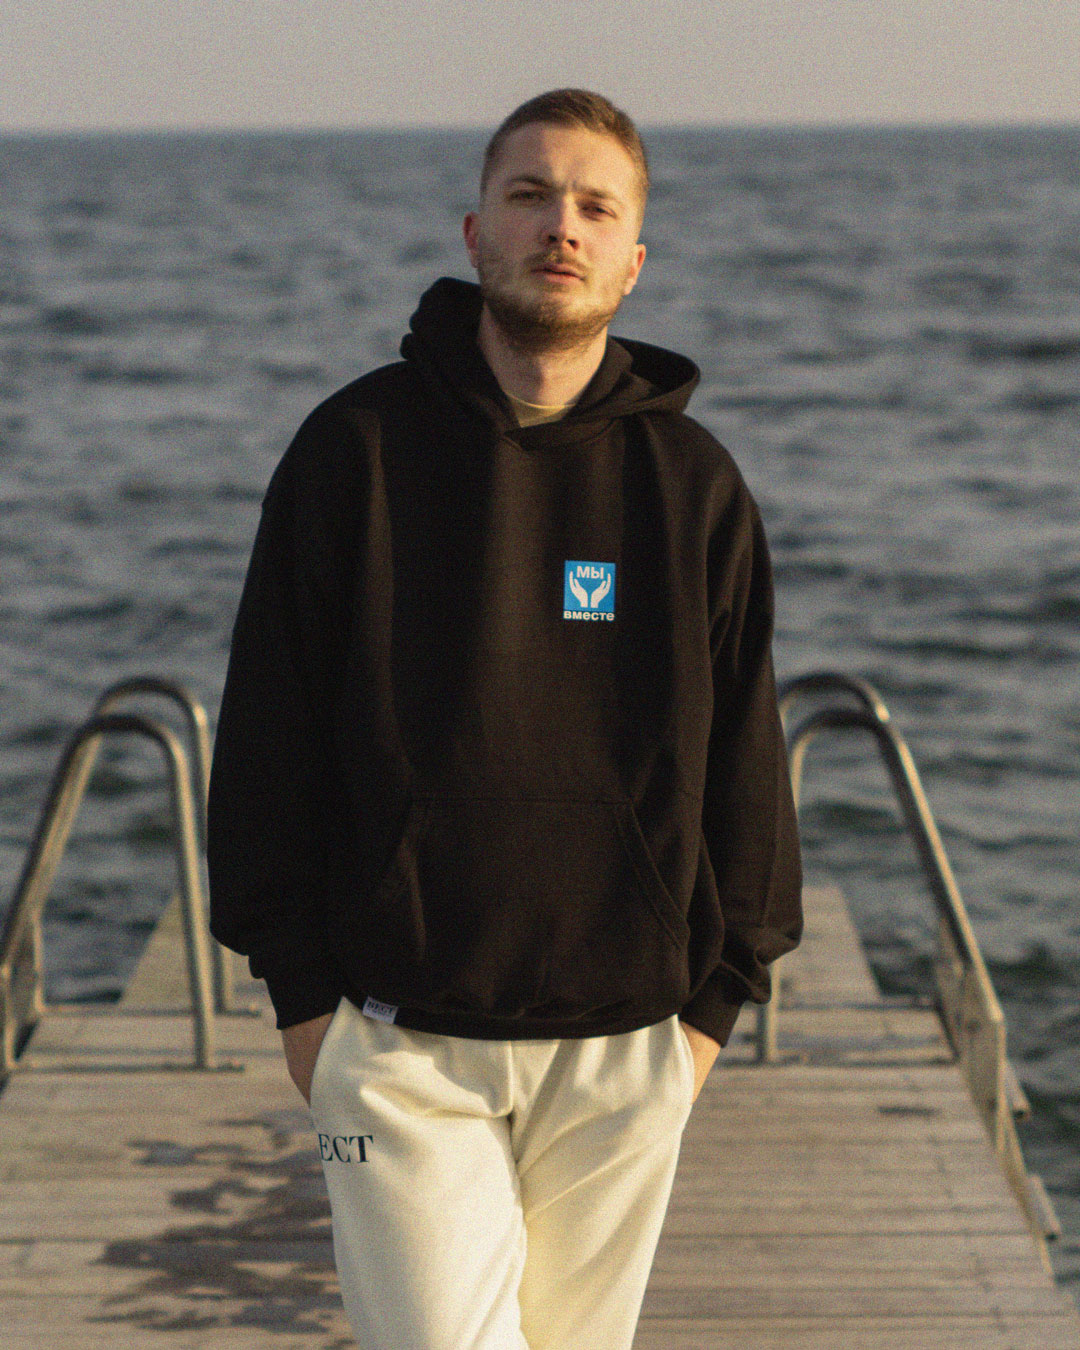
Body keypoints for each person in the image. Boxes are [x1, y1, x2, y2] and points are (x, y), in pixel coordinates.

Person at [207, 88, 803, 1350]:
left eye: (596, 206)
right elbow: (268, 738)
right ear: (476, 231)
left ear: (633, 262)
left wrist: (711, 1011)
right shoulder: (350, 451)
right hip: (397, 1044)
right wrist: (304, 1002)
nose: (560, 227)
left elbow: (748, 760)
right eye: (530, 194)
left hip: (631, 1045)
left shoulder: (691, 487)